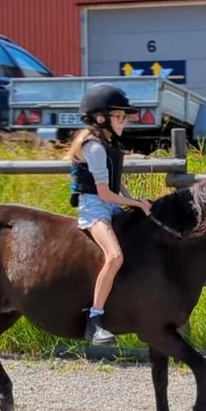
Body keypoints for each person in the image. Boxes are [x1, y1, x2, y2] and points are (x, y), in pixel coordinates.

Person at [67, 84, 152, 346]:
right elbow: (104, 193)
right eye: (119, 116)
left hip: (110, 204)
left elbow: (116, 184)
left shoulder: (109, 144)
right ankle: (95, 320)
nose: (124, 121)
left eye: (124, 117)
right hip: (94, 208)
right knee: (115, 256)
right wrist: (134, 204)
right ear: (101, 118)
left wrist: (135, 202)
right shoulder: (93, 146)